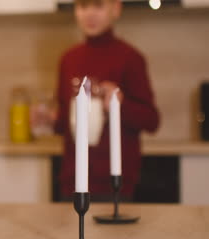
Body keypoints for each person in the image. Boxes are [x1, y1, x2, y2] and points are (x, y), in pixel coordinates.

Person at [41, 0, 160, 200]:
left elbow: (152, 120)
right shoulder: (68, 59)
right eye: (83, 6)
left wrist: (119, 104)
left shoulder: (130, 58)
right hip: (72, 180)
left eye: (98, 5)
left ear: (116, 8)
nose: (89, 14)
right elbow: (66, 124)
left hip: (113, 183)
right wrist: (49, 120)